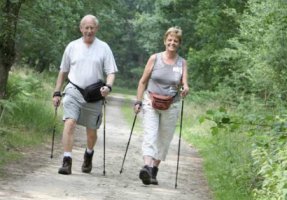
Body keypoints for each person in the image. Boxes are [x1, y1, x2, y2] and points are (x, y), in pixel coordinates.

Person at [52, 14, 118, 175]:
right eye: (86, 28)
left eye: (92, 28)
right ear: (81, 29)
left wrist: (108, 86)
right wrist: (57, 92)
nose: (89, 31)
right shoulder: (72, 46)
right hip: (73, 89)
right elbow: (63, 71)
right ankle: (67, 161)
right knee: (70, 122)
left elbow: (111, 72)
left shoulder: (104, 47)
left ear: (97, 29)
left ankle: (89, 154)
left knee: (91, 131)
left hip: (95, 93)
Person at [134, 26, 189, 185]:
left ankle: (154, 170)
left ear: (179, 44)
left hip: (171, 104)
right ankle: (146, 167)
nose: (172, 43)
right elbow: (142, 82)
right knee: (150, 135)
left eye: (176, 41)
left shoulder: (182, 63)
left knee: (164, 139)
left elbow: (185, 83)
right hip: (151, 101)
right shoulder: (154, 58)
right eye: (170, 40)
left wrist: (185, 89)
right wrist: (138, 101)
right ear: (165, 41)